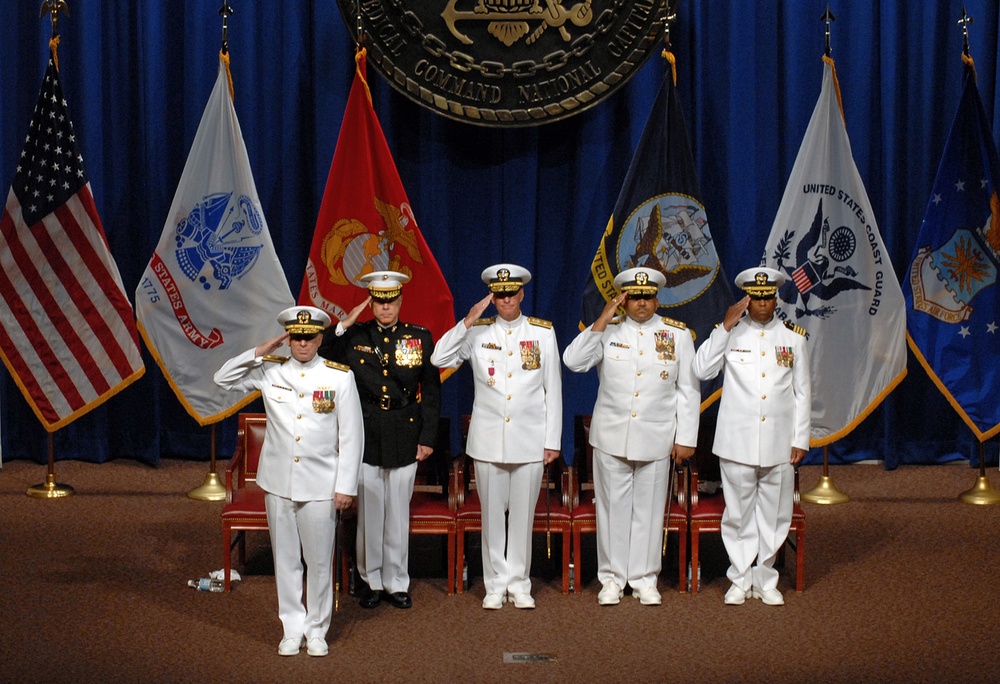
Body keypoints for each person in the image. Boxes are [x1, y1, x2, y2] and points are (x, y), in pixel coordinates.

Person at [214, 306, 363, 657]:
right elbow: (222, 378)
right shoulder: (270, 371)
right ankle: (291, 628)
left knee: (319, 561)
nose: (302, 343)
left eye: (309, 337)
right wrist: (259, 352)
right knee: (285, 559)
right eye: (296, 337)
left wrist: (346, 485)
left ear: (320, 338)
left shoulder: (339, 377)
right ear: (288, 338)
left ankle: (316, 630)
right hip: (278, 481)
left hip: (321, 485)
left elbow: (352, 436)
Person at [562, 267, 700, 606]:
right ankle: (611, 579)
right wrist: (601, 319)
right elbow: (573, 361)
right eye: (635, 297)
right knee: (611, 511)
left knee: (650, 512)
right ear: (623, 300)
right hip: (611, 437)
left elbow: (688, 391)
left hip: (657, 437)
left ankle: (644, 578)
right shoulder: (606, 332)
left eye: (648, 297)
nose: (642, 303)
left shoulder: (678, 335)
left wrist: (687, 437)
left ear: (657, 299)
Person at [431, 263, 562, 610]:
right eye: (499, 294)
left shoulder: (542, 333)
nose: (505, 299)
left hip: (530, 440)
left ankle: (519, 583)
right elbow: (438, 357)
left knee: (522, 517)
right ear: (492, 296)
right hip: (488, 441)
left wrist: (553, 440)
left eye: (511, 293)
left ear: (521, 294)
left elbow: (554, 390)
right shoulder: (477, 333)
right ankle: (494, 583)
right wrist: (468, 320)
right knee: (492, 517)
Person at [319, 270, 441, 611]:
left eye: (391, 302)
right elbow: (322, 351)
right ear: (370, 303)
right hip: (366, 431)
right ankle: (369, 580)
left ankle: (397, 581)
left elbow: (431, 390)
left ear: (400, 302)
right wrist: (344, 324)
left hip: (406, 430)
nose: (385, 308)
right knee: (370, 513)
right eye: (379, 302)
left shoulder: (419, 337)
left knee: (398, 513)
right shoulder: (354, 337)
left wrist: (427, 437)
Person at [692, 267, 811, 606]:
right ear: (746, 299)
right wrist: (725, 326)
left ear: (776, 298)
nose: (762, 304)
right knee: (739, 514)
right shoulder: (731, 333)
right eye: (755, 298)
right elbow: (701, 370)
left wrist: (800, 439)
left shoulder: (794, 338)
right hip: (737, 441)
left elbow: (803, 392)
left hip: (779, 441)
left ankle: (766, 578)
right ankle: (740, 578)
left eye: (768, 297)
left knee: (775, 515)